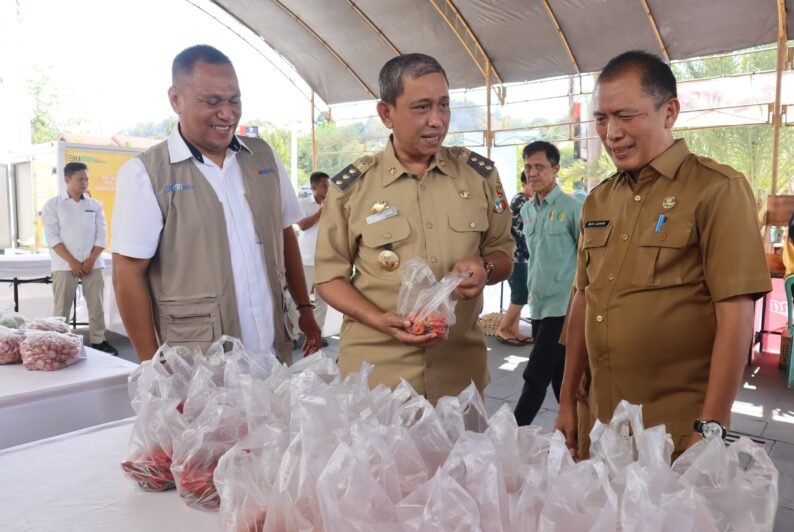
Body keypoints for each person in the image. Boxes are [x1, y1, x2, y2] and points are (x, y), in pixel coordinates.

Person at [554, 50, 771, 458]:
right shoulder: (598, 200)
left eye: (626, 116)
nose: (611, 132)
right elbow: (584, 297)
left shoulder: (716, 189)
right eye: (602, 118)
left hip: (672, 427)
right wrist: (567, 399)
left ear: (669, 112)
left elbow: (736, 315)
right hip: (599, 419)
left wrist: (711, 428)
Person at [315, 53, 514, 403]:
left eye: (444, 105)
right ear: (386, 113)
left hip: (459, 376)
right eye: (421, 107)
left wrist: (485, 268)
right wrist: (378, 319)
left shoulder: (479, 176)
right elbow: (329, 278)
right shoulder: (353, 188)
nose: (437, 120)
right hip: (378, 376)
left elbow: (504, 254)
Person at [111, 44, 321, 363]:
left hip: (272, 354)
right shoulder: (145, 174)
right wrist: (151, 366)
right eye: (212, 102)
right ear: (175, 99)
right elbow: (127, 274)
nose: (227, 114)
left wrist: (304, 308)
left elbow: (285, 234)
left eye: (234, 100)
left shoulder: (262, 157)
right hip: (197, 362)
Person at [514, 141, 580, 426]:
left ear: (555, 169)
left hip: (564, 306)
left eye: (540, 167)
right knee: (558, 374)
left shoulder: (573, 208)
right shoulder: (527, 210)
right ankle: (577, 434)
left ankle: (512, 433)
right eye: (528, 167)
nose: (533, 173)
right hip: (538, 304)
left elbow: (588, 257)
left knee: (536, 372)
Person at [41, 162, 118, 355]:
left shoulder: (95, 205)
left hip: (93, 263)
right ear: (67, 180)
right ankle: (58, 342)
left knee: (96, 305)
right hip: (64, 264)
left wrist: (91, 260)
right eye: (80, 179)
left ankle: (99, 340)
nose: (85, 183)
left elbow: (102, 235)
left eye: (87, 179)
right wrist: (73, 262)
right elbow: (52, 237)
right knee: (61, 307)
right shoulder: (53, 205)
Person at [290, 170, 330, 347]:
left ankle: (317, 334)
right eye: (323, 186)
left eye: (328, 185)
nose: (327, 189)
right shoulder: (303, 203)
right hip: (305, 259)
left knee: (324, 300)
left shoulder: (334, 205)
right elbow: (303, 225)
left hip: (326, 259)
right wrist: (321, 211)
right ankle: (293, 334)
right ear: (314, 187)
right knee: (299, 300)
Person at [495, 171, 534, 346]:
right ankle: (503, 329)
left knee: (517, 294)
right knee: (521, 294)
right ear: (524, 184)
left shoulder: (525, 200)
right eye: (532, 183)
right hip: (516, 255)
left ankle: (515, 331)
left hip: (521, 255)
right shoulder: (521, 200)